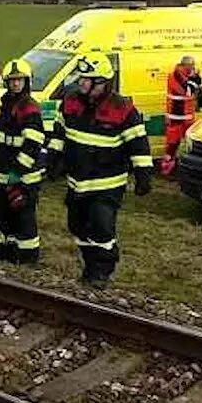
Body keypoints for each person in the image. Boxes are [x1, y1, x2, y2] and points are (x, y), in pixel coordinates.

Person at [47, 53, 152, 288]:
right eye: (81, 78)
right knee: (77, 226)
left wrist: (143, 175)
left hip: (108, 184)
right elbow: (59, 133)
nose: (81, 83)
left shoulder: (122, 108)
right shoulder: (70, 101)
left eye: (87, 79)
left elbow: (138, 144)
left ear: (103, 82)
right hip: (77, 182)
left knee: (101, 227)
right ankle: (90, 266)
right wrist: (53, 159)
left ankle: (103, 271)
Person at [0, 59, 45, 265]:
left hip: (24, 174)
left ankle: (28, 256)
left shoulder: (28, 107)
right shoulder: (7, 102)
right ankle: (7, 250)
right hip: (4, 170)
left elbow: (33, 142)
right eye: (11, 81)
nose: (15, 84)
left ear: (26, 81)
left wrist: (19, 170)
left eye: (19, 80)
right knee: (2, 211)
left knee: (24, 215)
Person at [161, 55, 202, 176]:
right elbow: (187, 90)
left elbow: (196, 84)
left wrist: (194, 80)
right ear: (185, 65)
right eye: (191, 65)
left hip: (187, 116)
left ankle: (187, 168)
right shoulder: (175, 75)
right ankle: (167, 169)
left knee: (191, 144)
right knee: (172, 145)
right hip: (176, 116)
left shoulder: (187, 75)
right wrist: (193, 80)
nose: (193, 67)